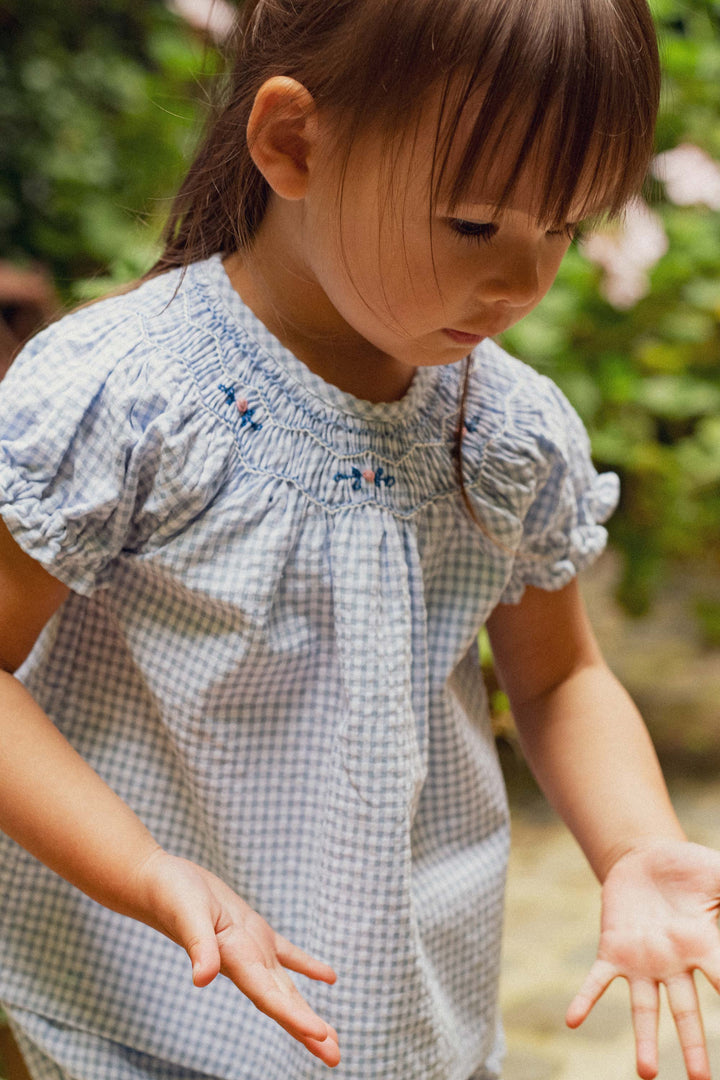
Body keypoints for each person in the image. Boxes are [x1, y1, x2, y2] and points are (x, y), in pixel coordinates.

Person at [0, 1, 718, 1078]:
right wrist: (150, 875)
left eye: (564, 228)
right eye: (474, 224)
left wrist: (636, 847)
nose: (522, 282)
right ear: (294, 143)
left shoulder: (504, 434)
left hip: (401, 1015)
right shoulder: (131, 400)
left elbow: (561, 676)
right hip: (142, 1007)